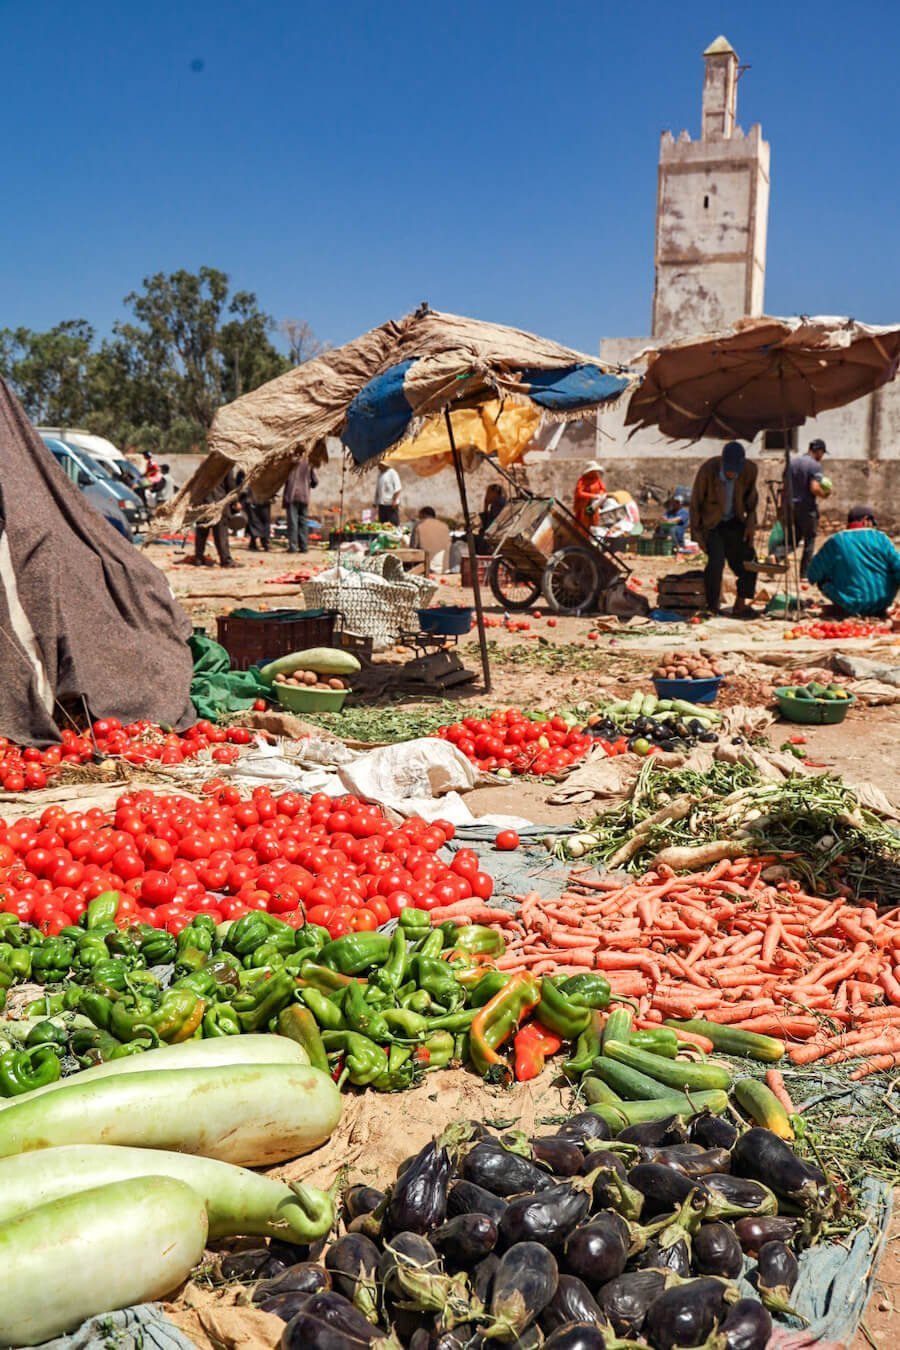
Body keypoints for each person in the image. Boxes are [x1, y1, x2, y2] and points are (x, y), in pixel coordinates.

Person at [690, 440, 759, 617]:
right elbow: (695, 503)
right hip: (712, 524)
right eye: (728, 469)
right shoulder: (708, 470)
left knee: (749, 560)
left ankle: (741, 603)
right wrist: (697, 535)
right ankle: (712, 606)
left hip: (735, 520)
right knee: (716, 562)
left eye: (735, 469)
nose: (731, 473)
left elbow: (751, 502)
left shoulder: (750, 471)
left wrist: (750, 525)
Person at [807, 506, 900, 617]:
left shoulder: (837, 540)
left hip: (850, 604)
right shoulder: (882, 539)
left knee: (823, 578)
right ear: (866, 520)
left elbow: (812, 574)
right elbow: (897, 566)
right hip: (882, 602)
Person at [785, 438, 828, 577]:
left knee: (794, 537)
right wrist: (825, 494)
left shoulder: (792, 463)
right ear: (819, 451)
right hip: (807, 507)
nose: (822, 456)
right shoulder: (815, 466)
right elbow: (814, 488)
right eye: (822, 453)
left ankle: (777, 555)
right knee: (810, 539)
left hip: (791, 505)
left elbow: (784, 485)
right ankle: (804, 574)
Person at [194, 469, 238, 568]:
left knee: (201, 534)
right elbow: (231, 487)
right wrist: (235, 502)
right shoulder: (225, 467)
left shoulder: (205, 467)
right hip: (219, 504)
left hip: (203, 505)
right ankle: (226, 560)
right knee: (221, 534)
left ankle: (199, 559)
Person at [282, 454, 317, 553]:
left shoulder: (289, 462)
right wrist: (308, 485)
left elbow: (281, 479)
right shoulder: (309, 462)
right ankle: (304, 547)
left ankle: (293, 547)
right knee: (303, 522)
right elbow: (315, 481)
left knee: (293, 522)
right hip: (304, 495)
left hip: (292, 495)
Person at [409, 506, 451, 573]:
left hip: (425, 569)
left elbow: (412, 549)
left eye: (419, 516)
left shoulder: (419, 525)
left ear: (423, 515)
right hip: (445, 568)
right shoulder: (445, 526)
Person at [573, 461, 607, 531]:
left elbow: (603, 489)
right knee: (583, 526)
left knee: (594, 524)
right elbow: (579, 493)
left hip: (594, 506)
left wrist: (600, 494)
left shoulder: (597, 479)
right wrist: (593, 496)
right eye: (593, 471)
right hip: (583, 507)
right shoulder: (582, 481)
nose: (594, 472)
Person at [475, 482, 507, 552]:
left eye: (488, 493)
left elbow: (489, 525)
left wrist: (486, 504)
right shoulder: (495, 505)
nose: (486, 495)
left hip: (493, 539)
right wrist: (486, 505)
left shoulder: (499, 504)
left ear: (494, 493)